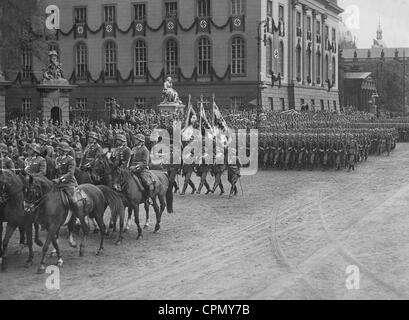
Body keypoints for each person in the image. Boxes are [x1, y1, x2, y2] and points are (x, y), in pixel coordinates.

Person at [129, 134, 155, 199]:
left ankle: (148, 197)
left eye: (136, 139)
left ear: (141, 141)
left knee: (146, 182)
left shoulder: (145, 150)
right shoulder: (133, 148)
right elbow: (130, 159)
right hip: (132, 168)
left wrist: (135, 167)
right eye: (135, 139)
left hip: (142, 169)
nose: (135, 140)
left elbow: (145, 163)